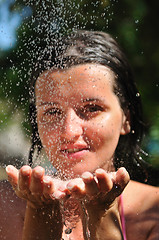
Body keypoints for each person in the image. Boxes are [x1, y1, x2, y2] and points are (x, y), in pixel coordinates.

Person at [2, 30, 159, 240]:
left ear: (126, 119)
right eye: (52, 112)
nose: (69, 131)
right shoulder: (4, 206)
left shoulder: (153, 212)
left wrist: (102, 213)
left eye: (92, 108)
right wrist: (40, 210)